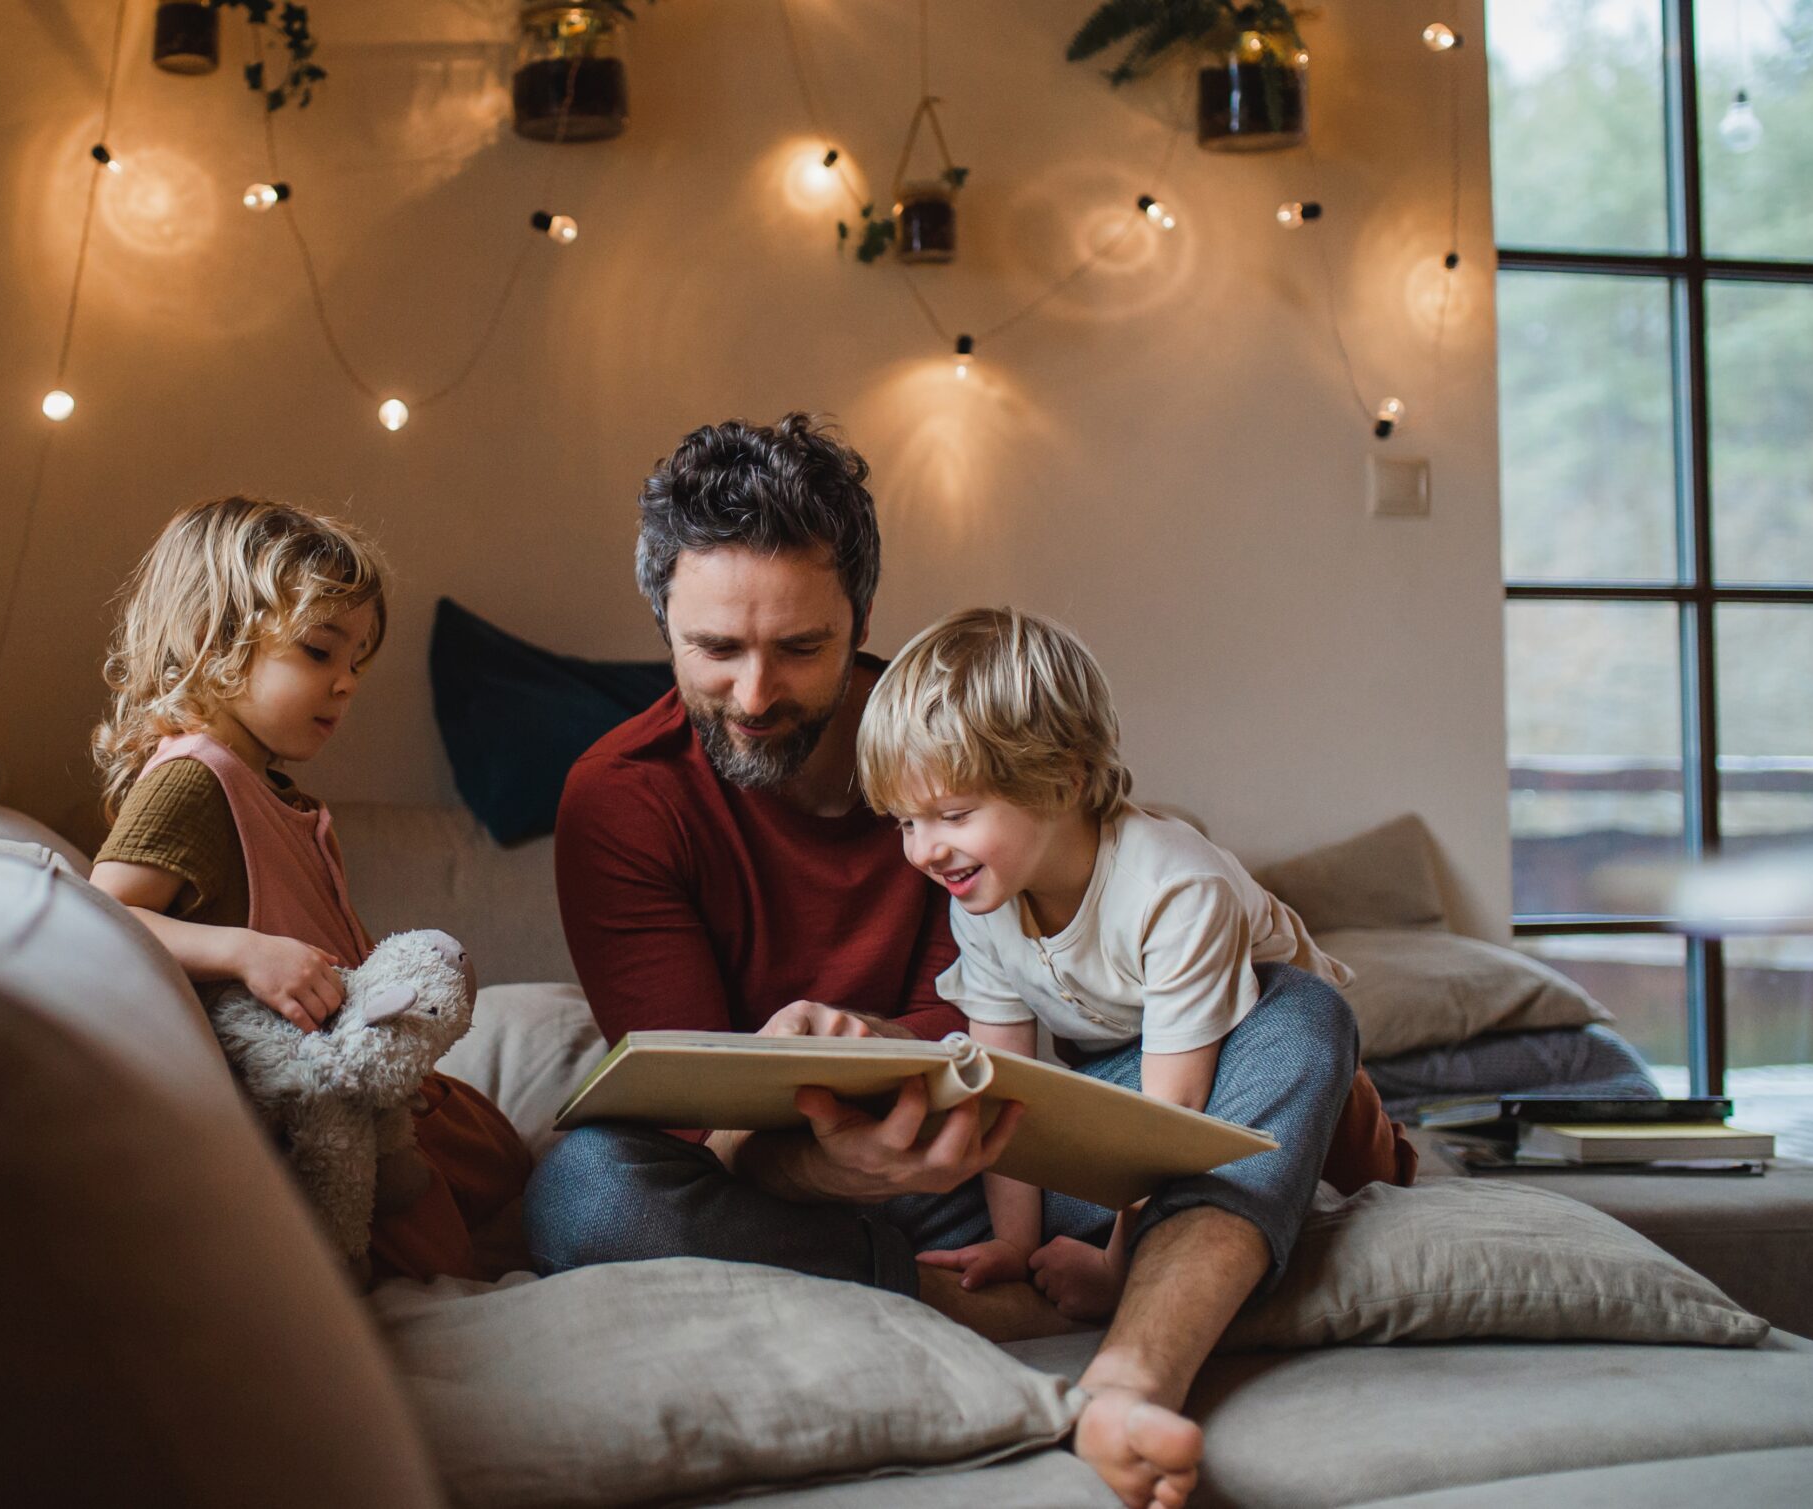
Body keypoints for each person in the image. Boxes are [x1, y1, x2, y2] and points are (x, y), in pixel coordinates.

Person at [525, 417, 1400, 1509]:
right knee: (584, 1188)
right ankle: (1031, 1306)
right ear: (663, 622)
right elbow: (693, 1129)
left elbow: (1060, 1037)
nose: (754, 696)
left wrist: (901, 1062)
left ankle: (1133, 1366)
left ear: (860, 622)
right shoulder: (622, 799)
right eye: (714, 650)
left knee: (1296, 1017)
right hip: (799, 1193)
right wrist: (837, 1159)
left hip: (1031, 1147)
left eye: (800, 648)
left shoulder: (970, 738)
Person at [854, 606, 1413, 1328]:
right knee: (961, 1155)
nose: (923, 850)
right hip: (1129, 1062)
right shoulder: (980, 900)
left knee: (1362, 1173)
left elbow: (1168, 1115)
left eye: (953, 814)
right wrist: (1013, 1243)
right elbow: (1002, 1086)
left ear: (1063, 777)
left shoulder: (1173, 887)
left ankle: (1383, 1158)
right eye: (905, 822)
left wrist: (1119, 1265)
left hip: (1260, 1049)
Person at [86, 495, 528, 1283]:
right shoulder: (195, 776)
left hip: (352, 1068)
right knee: (469, 1205)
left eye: (357, 659)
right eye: (320, 652)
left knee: (497, 1144)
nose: (348, 682)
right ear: (209, 642)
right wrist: (243, 950)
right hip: (304, 1111)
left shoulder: (263, 784)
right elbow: (101, 915)